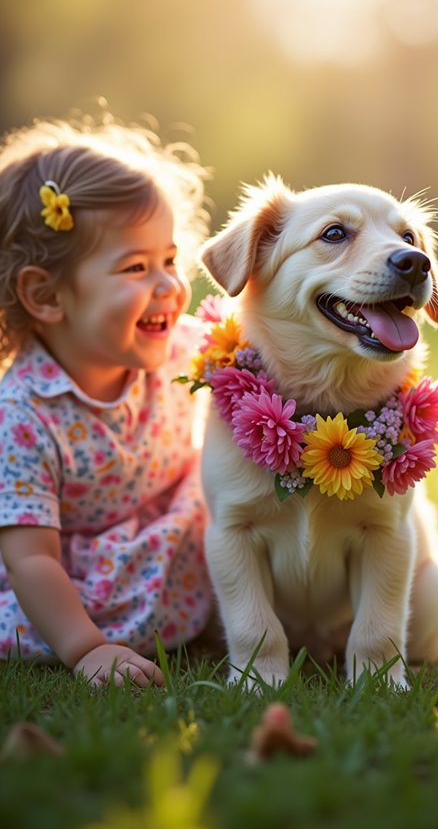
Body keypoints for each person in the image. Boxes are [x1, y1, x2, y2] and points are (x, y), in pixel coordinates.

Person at [0, 114, 213, 685]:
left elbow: (265, 373)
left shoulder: (185, 351)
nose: (169, 286)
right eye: (136, 268)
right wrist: (89, 649)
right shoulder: (22, 415)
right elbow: (31, 559)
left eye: (169, 260)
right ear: (46, 296)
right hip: (82, 596)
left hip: (177, 553)